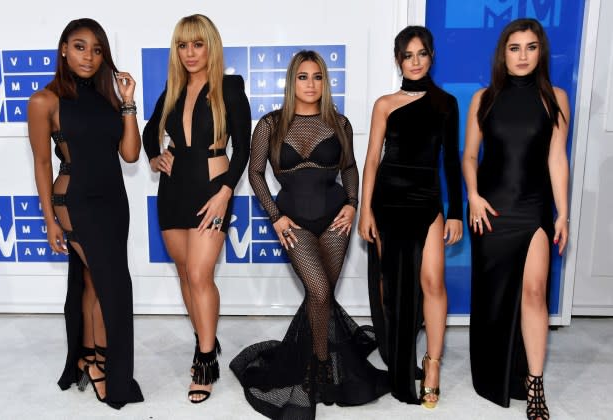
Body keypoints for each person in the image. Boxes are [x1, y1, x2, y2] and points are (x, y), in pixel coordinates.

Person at [230, 50, 389, 420]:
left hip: (335, 219)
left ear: (325, 82)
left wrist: (352, 203)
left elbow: (349, 167)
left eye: (317, 77)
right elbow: (255, 174)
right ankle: (320, 362)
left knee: (322, 297)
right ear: (292, 81)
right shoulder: (269, 125)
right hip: (294, 223)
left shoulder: (339, 122)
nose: (311, 84)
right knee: (318, 292)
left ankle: (321, 367)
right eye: (303, 77)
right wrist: (275, 217)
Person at [27, 18, 144, 409]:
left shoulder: (109, 96)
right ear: (63, 49)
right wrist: (48, 220)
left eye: (96, 50)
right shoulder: (44, 101)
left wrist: (128, 100)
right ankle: (105, 368)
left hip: (114, 200)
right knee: (115, 289)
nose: (89, 56)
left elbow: (129, 154)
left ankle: (91, 358)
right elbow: (43, 165)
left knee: (95, 284)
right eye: (79, 47)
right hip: (76, 202)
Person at [462, 18, 569, 420]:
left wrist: (564, 214)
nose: (522, 55)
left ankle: (535, 383)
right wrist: (472, 196)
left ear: (540, 52)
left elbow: (556, 159)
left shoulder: (555, 97)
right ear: (502, 54)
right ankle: (495, 372)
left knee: (535, 293)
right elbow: (470, 155)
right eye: (514, 48)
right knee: (493, 296)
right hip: (491, 210)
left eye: (530, 47)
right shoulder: (483, 98)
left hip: (533, 207)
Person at [142, 14, 251, 404]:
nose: (190, 53)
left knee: (201, 273)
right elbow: (148, 129)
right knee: (186, 274)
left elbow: (245, 148)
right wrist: (155, 156)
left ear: (211, 46)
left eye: (197, 44)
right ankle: (204, 337)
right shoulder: (173, 89)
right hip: (174, 189)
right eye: (182, 45)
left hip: (212, 186)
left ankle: (206, 359)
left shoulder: (230, 86)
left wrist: (226, 191)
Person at [358, 25, 463, 408]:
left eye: (421, 54)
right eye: (408, 55)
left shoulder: (446, 103)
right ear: (398, 59)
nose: (415, 61)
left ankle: (432, 363)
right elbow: (371, 160)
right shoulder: (385, 103)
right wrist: (365, 209)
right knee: (393, 287)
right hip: (388, 200)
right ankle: (397, 359)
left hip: (426, 198)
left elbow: (451, 160)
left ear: (431, 56)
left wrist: (455, 212)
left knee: (432, 282)